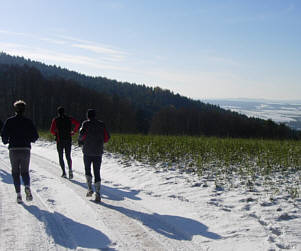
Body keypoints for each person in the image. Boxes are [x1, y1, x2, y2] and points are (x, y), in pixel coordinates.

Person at [1, 100, 39, 203]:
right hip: (25, 149)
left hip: (13, 149)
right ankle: (27, 186)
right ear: (24, 110)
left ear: (15, 109)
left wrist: (6, 141)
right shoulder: (28, 121)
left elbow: (4, 135)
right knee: (25, 172)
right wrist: (30, 139)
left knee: (15, 172)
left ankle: (18, 195)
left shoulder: (9, 121)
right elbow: (35, 136)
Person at [78, 109, 110, 202]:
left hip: (87, 151)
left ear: (88, 116)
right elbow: (107, 137)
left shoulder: (85, 124)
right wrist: (100, 142)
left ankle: (89, 189)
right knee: (97, 172)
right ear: (95, 115)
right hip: (98, 151)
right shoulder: (101, 124)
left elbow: (81, 136)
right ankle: (98, 193)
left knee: (87, 170)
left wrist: (81, 141)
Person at [50, 106, 80, 179]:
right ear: (64, 111)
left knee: (61, 156)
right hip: (68, 139)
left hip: (59, 140)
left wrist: (56, 134)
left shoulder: (55, 120)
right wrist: (73, 131)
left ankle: (64, 172)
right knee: (68, 156)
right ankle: (70, 169)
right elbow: (78, 124)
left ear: (58, 112)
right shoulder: (69, 119)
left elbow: (52, 130)